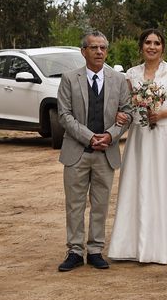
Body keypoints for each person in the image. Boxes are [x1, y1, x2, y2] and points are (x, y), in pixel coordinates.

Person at [108, 28, 167, 264]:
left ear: (163, 47)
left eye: (157, 43)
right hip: (141, 135)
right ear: (141, 46)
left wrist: (160, 115)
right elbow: (128, 105)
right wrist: (128, 112)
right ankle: (135, 245)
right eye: (148, 43)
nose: (152, 47)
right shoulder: (131, 74)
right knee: (140, 184)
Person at [56, 30, 132, 272]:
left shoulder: (119, 79)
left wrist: (111, 135)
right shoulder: (69, 78)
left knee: (100, 204)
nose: (99, 52)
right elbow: (64, 115)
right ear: (83, 52)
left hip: (106, 152)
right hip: (76, 151)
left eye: (103, 48)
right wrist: (90, 138)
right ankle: (75, 251)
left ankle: (96, 249)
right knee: (75, 204)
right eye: (94, 48)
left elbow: (128, 113)